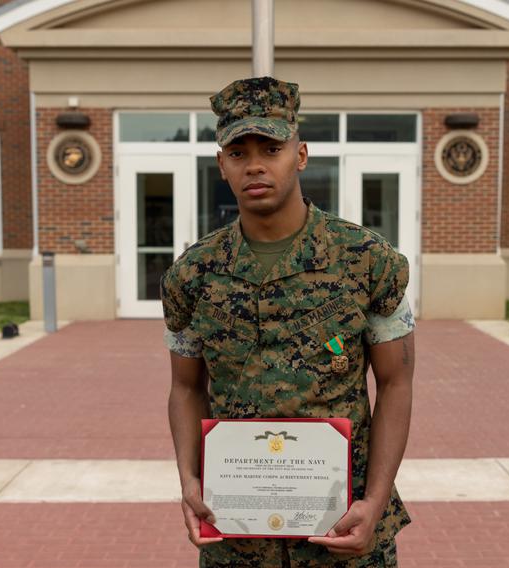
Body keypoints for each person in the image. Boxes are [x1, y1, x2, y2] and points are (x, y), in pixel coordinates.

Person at [161, 76, 416, 568]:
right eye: (238, 152)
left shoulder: (366, 261)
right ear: (221, 165)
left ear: (300, 155)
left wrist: (377, 500)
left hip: (342, 532)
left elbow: (396, 382)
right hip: (238, 537)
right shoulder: (193, 275)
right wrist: (189, 481)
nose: (255, 164)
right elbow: (185, 388)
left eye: (271, 148)